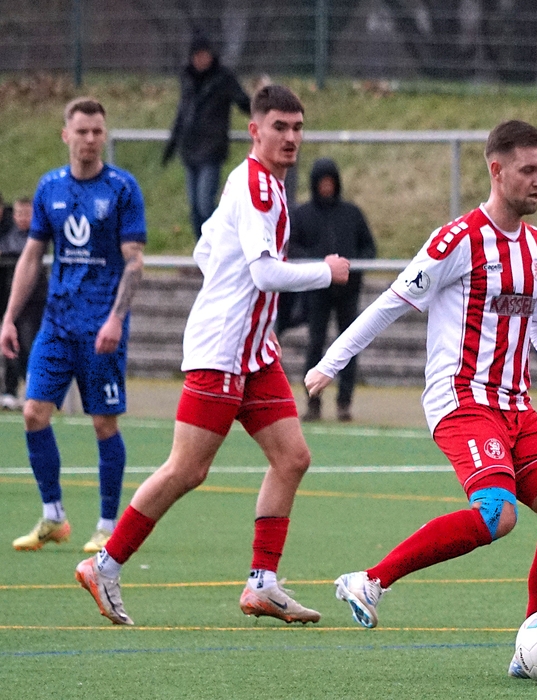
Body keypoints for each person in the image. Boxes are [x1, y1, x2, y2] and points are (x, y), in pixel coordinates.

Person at [305, 120, 537, 682]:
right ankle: (370, 582)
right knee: (497, 515)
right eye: (528, 170)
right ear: (496, 170)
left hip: (515, 405)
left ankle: (531, 648)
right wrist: (330, 362)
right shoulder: (456, 241)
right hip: (461, 400)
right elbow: (391, 302)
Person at [75, 85, 351, 626]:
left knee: (292, 458)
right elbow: (264, 272)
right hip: (222, 351)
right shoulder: (258, 187)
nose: (290, 137)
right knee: (188, 468)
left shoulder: (257, 182)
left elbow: (207, 244)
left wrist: (246, 309)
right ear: (255, 130)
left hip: (254, 353)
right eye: (279, 127)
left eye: (297, 127)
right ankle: (104, 564)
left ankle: (262, 583)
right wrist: (327, 271)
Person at [2, 98, 146, 554]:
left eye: (97, 131)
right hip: (57, 323)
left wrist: (116, 319)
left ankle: (107, 524)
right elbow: (32, 255)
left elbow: (134, 262)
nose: (90, 139)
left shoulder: (122, 188)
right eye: (82, 131)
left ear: (104, 135)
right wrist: (9, 316)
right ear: (66, 135)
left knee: (103, 422)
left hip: (102, 326)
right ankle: (53, 516)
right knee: (32, 413)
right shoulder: (50, 187)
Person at [286, 158, 376, 422]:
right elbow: (292, 248)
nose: (326, 187)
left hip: (348, 290)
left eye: (330, 182)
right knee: (315, 343)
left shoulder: (352, 213)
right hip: (317, 291)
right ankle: (313, 401)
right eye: (322, 182)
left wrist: (352, 267)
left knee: (349, 344)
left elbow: (369, 247)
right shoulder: (303, 215)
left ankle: (344, 403)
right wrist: (319, 266)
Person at [163, 34, 251, 241]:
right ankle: (202, 248)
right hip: (189, 149)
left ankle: (217, 245)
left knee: (205, 204)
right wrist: (172, 144)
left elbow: (243, 101)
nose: (201, 59)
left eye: (205, 54)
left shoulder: (223, 78)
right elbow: (182, 113)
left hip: (211, 150)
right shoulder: (187, 78)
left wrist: (264, 115)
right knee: (194, 207)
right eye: (197, 55)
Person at [0, 197, 47, 410]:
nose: (22, 218)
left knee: (30, 346)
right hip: (11, 303)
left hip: (33, 303)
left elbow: (30, 254)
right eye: (19, 213)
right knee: (10, 348)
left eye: (27, 214)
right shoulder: (8, 234)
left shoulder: (37, 237)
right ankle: (10, 391)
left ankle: (33, 390)